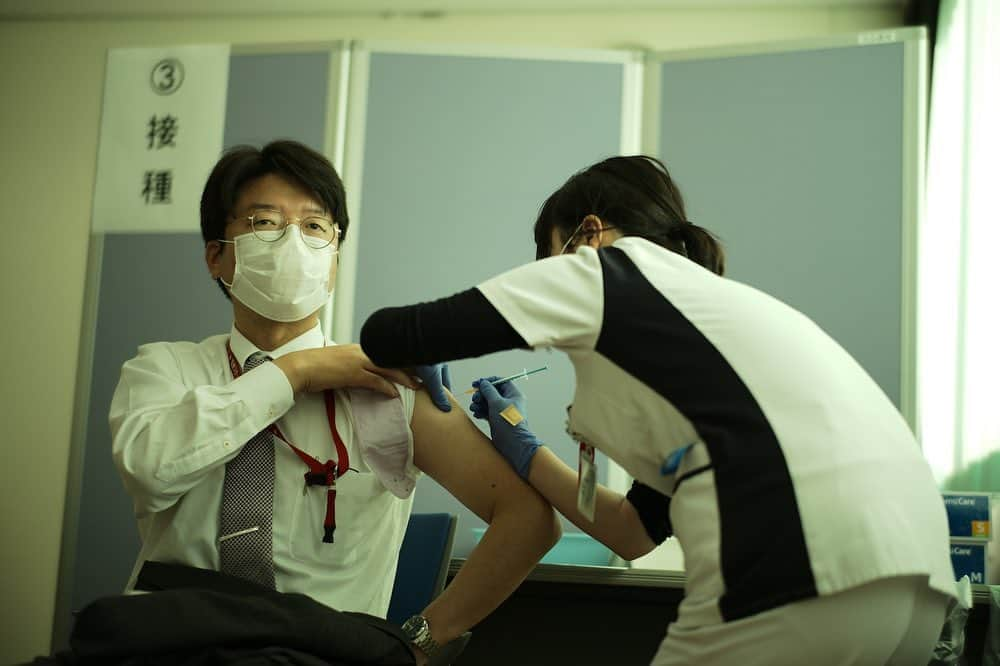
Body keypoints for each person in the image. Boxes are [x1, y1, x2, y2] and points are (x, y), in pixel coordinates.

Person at [360, 155, 958, 665]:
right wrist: (525, 449)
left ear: (588, 234)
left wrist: (421, 350)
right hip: (915, 583)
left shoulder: (602, 270)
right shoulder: (706, 326)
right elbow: (634, 531)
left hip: (795, 564)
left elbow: (388, 334)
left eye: (548, 258)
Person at [109, 140, 560, 664]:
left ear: (335, 260)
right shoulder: (164, 370)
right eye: (264, 222)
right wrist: (297, 372)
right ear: (216, 255)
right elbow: (151, 471)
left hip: (319, 656)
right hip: (171, 647)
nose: (293, 242)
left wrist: (415, 644)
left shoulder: (386, 387)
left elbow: (529, 518)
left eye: (315, 226)